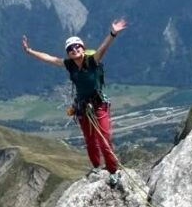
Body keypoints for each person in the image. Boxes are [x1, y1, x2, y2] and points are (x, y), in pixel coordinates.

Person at [22, 19, 128, 188]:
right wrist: (29, 51)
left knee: (104, 140)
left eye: (77, 46)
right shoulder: (69, 65)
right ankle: (96, 167)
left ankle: (113, 171)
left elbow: (103, 48)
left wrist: (113, 33)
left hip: (99, 105)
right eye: (70, 49)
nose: (74, 50)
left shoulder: (92, 61)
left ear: (83, 48)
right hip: (83, 107)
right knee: (90, 140)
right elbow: (49, 59)